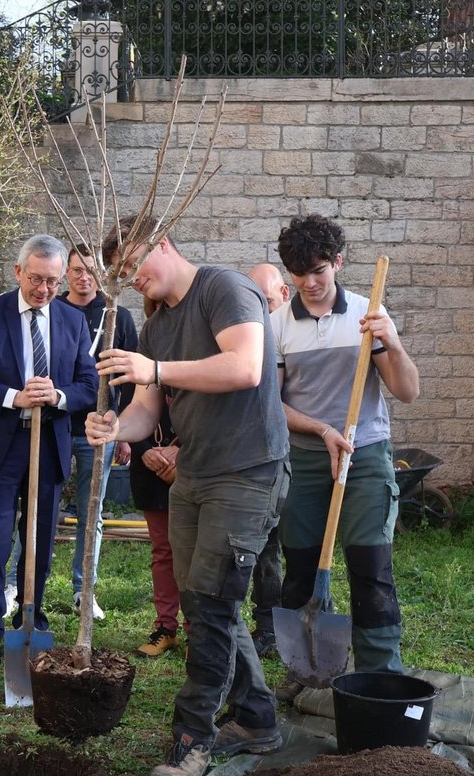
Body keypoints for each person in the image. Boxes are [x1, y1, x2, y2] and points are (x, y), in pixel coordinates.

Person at [86, 217, 289, 776]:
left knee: (208, 604)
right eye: (120, 274)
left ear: (165, 243)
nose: (130, 279)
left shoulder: (225, 289)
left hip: (249, 469)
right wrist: (113, 429)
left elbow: (245, 367)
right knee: (210, 603)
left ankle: (192, 740)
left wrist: (153, 367)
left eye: (132, 265)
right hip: (194, 473)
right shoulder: (155, 329)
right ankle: (258, 719)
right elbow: (148, 409)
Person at [272, 214, 419, 685]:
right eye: (299, 275)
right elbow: (273, 405)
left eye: (318, 271)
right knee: (299, 567)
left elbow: (408, 391)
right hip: (305, 460)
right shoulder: (276, 326)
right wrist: (320, 430)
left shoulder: (367, 314)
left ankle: (380, 675)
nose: (310, 283)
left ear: (337, 262)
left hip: (365, 455)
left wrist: (391, 343)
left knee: (370, 567)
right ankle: (306, 672)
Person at [0, 234, 98, 680]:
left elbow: (88, 386)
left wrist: (55, 395)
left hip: (48, 448)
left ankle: (31, 621)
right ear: (18, 272)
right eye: (36, 279)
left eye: (53, 281)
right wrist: (15, 396)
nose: (43, 290)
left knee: (38, 544)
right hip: (2, 445)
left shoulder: (73, 321)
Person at [57, 246, 138, 620]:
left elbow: (131, 378)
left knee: (94, 513)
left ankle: (83, 590)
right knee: (38, 508)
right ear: (66, 273)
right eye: (76, 270)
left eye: (90, 271)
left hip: (100, 430)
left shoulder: (116, 314)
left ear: (102, 273)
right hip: (56, 425)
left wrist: (124, 430)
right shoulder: (53, 310)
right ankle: (19, 584)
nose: (83, 277)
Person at [130, 298, 182, 659]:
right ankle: (166, 626)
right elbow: (136, 407)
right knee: (163, 551)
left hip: (190, 463)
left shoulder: (197, 351)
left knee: (193, 554)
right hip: (149, 464)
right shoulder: (142, 353)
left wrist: (181, 450)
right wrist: (146, 448)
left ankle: (199, 629)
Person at [245, 263, 291, 658]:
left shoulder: (293, 331)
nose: (262, 308)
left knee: (304, 546)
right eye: (255, 301)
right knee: (267, 546)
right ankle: (269, 626)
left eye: (268, 300)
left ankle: (303, 621)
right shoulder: (251, 339)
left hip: (305, 452)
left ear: (284, 295)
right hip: (265, 459)